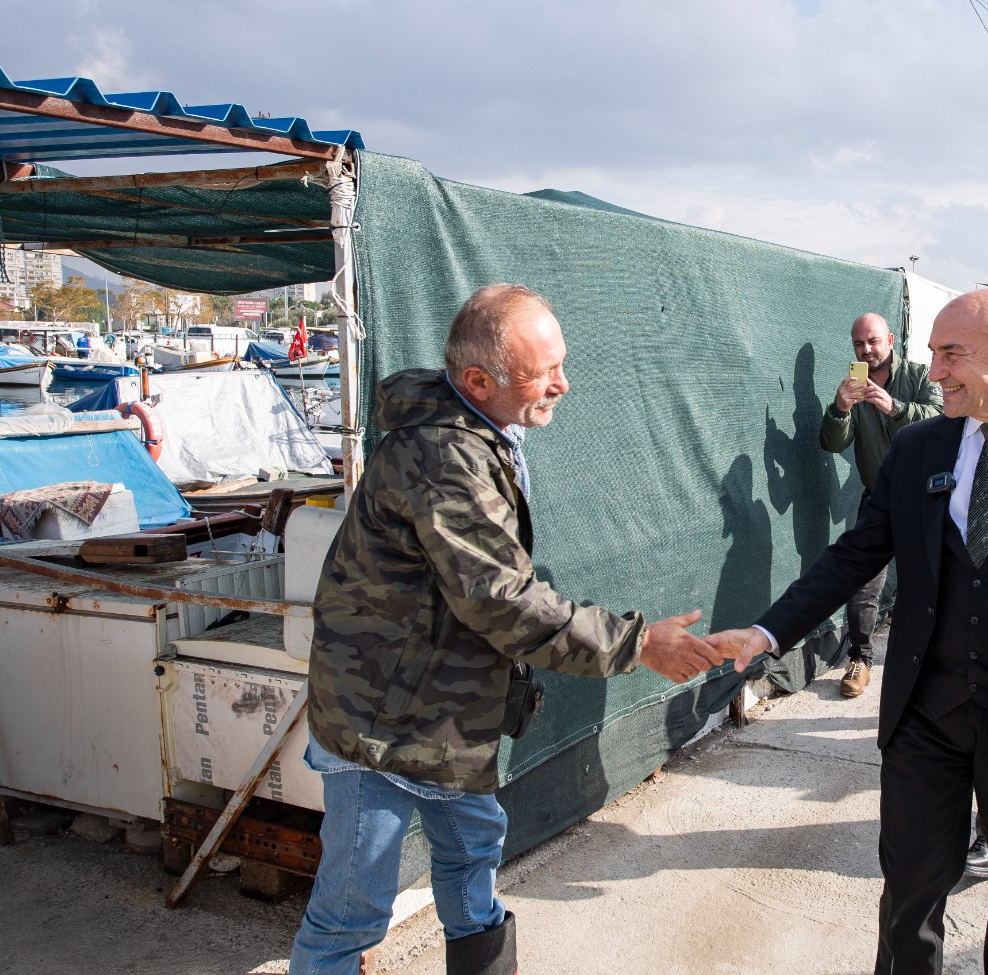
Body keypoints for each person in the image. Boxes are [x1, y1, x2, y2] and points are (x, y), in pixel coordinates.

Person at [709, 288, 988, 975]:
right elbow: (855, 555)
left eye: (952, 355)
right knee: (910, 897)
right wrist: (767, 633)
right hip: (926, 720)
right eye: (932, 354)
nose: (934, 372)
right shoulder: (917, 449)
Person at [291, 284, 721, 975]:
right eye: (543, 373)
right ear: (477, 381)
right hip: (381, 722)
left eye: (562, 363)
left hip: (444, 716)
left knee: (473, 856)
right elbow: (501, 600)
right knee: (353, 909)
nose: (563, 384)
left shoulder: (482, 431)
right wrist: (639, 643)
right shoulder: (444, 455)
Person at [820, 312, 943, 696]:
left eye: (873, 341)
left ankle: (929, 662)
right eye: (859, 344)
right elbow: (832, 443)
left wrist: (895, 407)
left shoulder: (921, 376)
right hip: (879, 498)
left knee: (927, 581)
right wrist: (840, 408)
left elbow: (942, 419)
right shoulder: (854, 388)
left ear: (890, 340)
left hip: (928, 497)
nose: (867, 350)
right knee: (863, 583)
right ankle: (860, 658)